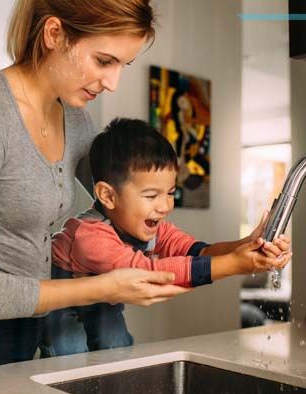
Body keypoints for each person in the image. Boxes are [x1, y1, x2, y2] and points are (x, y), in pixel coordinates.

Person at [0, 0, 193, 368]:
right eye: (104, 61)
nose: (113, 84)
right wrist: (98, 289)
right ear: (54, 34)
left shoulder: (77, 121)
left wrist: (233, 253)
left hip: (26, 333)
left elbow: (127, 207)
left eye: (123, 65)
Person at [43, 118, 292, 356]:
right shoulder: (88, 235)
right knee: (68, 350)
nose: (164, 206)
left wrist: (248, 244)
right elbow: (146, 272)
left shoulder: (155, 228)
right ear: (108, 196)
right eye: (151, 196)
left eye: (170, 193)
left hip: (105, 292)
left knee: (116, 345)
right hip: (61, 296)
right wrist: (235, 264)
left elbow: (199, 252)